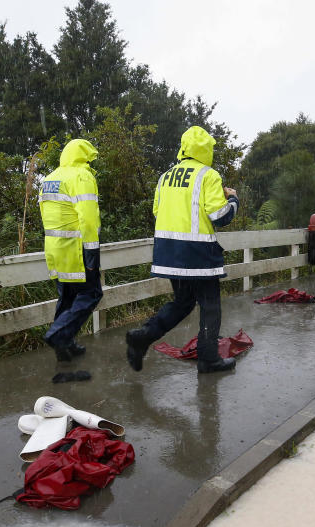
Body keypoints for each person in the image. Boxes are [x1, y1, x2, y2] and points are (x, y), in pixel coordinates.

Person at [125, 126, 239, 374]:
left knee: (183, 302)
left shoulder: (165, 177)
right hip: (198, 254)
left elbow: (158, 211)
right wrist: (232, 199)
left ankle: (143, 337)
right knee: (210, 307)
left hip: (169, 252)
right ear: (206, 149)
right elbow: (219, 217)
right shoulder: (209, 175)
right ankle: (208, 359)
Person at [39, 139, 103, 371]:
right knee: (91, 293)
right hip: (76, 248)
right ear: (84, 157)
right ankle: (58, 333)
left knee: (66, 297)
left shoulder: (49, 179)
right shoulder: (82, 176)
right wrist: (92, 252)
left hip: (54, 249)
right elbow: (88, 219)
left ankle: (64, 346)